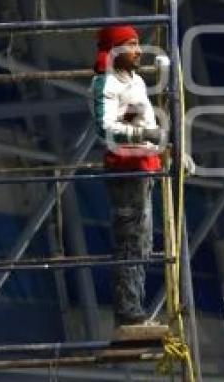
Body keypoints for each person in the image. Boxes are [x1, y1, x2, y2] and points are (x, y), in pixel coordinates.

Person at [89, 25, 166, 331]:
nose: (137, 49)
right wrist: (145, 133)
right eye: (130, 44)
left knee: (142, 242)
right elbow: (104, 128)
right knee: (131, 240)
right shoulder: (104, 83)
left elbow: (149, 125)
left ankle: (134, 307)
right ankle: (128, 311)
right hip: (125, 169)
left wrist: (167, 151)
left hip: (144, 166)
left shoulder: (136, 82)